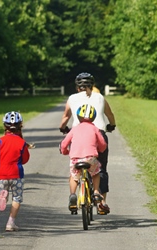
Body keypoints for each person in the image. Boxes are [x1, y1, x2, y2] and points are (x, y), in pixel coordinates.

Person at [59, 72, 116, 214]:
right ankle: (102, 202)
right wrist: (111, 126)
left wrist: (63, 128)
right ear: (92, 85)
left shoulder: (72, 98)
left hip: (79, 135)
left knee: (76, 169)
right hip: (98, 134)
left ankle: (75, 195)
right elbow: (110, 115)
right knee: (100, 169)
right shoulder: (100, 97)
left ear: (77, 87)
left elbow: (66, 116)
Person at [60, 104, 107, 211]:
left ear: (78, 116)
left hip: (76, 159)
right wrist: (101, 150)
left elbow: (64, 144)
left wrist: (65, 151)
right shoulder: (95, 129)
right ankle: (95, 192)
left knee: (74, 176)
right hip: (90, 158)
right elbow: (103, 144)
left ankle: (72, 195)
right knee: (95, 173)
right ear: (94, 117)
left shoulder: (74, 129)